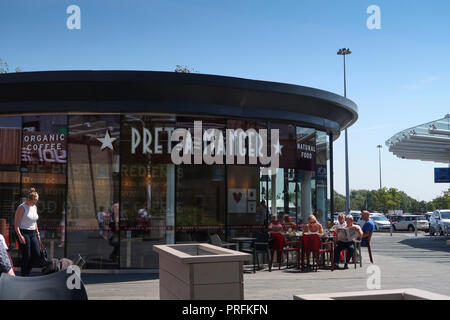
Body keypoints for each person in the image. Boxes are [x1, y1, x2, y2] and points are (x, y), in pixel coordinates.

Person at [14, 188, 44, 276]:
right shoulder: (21, 208)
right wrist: (20, 236)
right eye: (33, 201)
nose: (34, 203)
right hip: (23, 232)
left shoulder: (34, 207)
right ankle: (24, 275)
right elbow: (16, 225)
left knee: (37, 254)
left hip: (33, 232)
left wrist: (38, 234)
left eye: (36, 202)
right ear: (28, 199)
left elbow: (34, 222)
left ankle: (27, 272)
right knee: (26, 255)